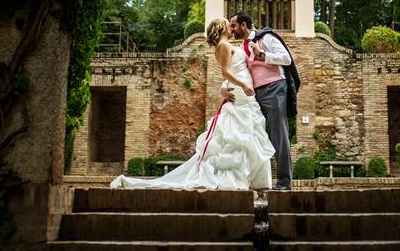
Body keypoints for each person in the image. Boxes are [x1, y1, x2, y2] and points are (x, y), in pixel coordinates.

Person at [109, 17, 275, 190]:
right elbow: (225, 72)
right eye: (228, 24)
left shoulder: (225, 45)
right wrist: (243, 85)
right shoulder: (224, 46)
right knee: (240, 132)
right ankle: (236, 177)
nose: (231, 27)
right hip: (242, 89)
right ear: (222, 27)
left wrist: (226, 87)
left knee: (243, 131)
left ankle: (245, 176)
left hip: (240, 89)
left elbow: (233, 68)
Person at [223, 12, 298, 191]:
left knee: (278, 134)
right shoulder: (241, 47)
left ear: (243, 25)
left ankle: (284, 182)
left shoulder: (266, 37)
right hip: (254, 95)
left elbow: (286, 59)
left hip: (274, 88)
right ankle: (256, 180)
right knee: (255, 136)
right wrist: (224, 86)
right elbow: (236, 69)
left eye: (233, 25)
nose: (231, 30)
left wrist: (262, 54)